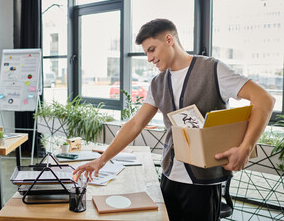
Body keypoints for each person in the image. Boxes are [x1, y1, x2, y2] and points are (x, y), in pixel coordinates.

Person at [73, 18, 275, 220]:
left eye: (152, 49)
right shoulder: (157, 83)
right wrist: (101, 160)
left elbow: (265, 100)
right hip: (170, 177)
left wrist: (246, 148)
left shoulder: (213, 69)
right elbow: (135, 124)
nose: (149, 58)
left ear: (169, 39)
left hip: (203, 182)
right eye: (146, 53)